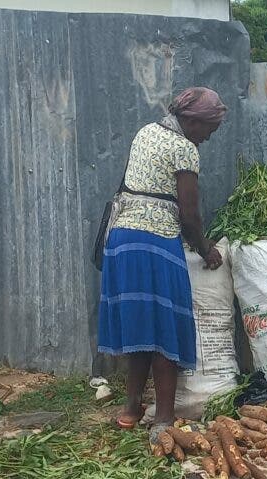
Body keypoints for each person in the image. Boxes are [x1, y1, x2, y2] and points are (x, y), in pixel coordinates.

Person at [98, 87, 227, 437]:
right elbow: (189, 216)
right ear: (191, 120)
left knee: (141, 328)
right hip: (154, 243)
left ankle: (130, 409)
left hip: (122, 241)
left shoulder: (146, 132)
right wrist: (206, 250)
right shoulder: (184, 149)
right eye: (208, 130)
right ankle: (164, 421)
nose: (207, 139)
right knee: (165, 330)